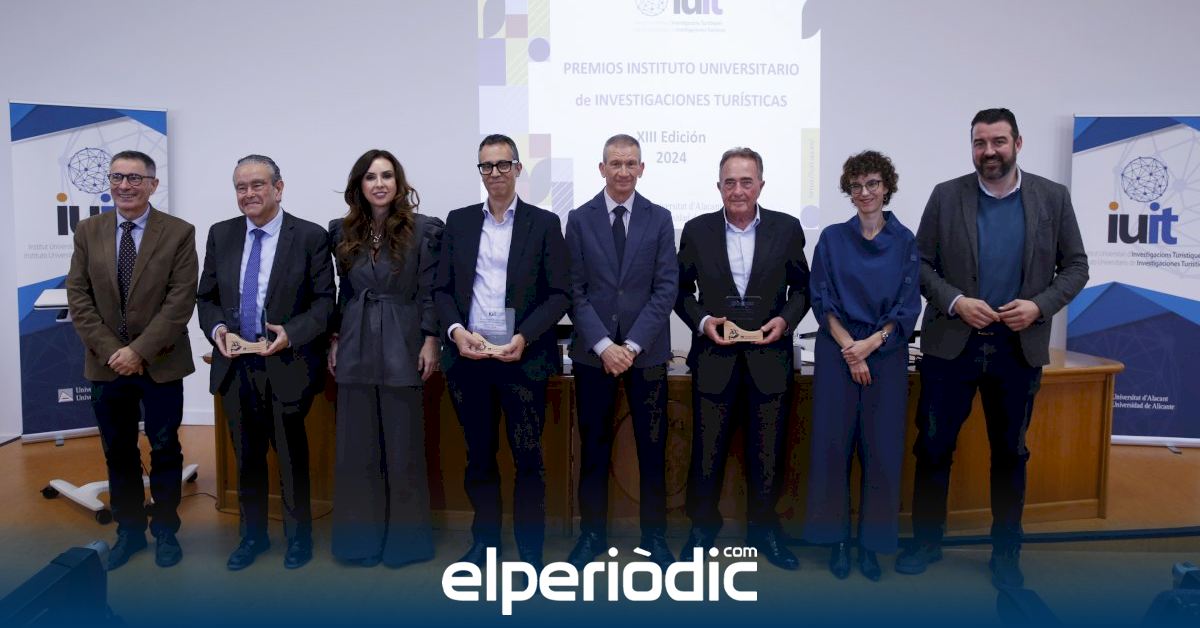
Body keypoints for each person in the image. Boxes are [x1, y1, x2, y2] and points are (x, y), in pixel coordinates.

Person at [896, 108, 1089, 588]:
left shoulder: (1052, 197)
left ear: (1017, 144)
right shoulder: (946, 195)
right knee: (933, 447)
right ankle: (926, 542)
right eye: (980, 143)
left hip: (1016, 349)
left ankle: (1006, 552)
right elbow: (919, 264)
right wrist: (956, 301)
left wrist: (1039, 306)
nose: (989, 151)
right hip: (952, 347)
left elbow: (1076, 267)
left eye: (998, 141)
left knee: (1010, 453)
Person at [433, 134, 570, 571]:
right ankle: (485, 543)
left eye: (503, 164)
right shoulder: (459, 222)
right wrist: (456, 332)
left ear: (517, 169)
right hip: (470, 360)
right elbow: (441, 290)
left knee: (528, 458)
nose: (495, 173)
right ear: (480, 171)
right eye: (486, 166)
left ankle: (530, 548)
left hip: (521, 360)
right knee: (479, 457)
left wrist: (524, 337)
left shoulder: (544, 223)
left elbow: (559, 294)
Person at [197, 154, 335, 570]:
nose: (249, 194)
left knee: (290, 458)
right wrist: (218, 330)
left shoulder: (309, 236)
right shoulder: (221, 234)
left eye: (257, 184)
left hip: (286, 364)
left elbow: (324, 303)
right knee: (247, 459)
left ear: (279, 188)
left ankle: (298, 538)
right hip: (236, 366)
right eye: (241, 187)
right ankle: (251, 537)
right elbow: (206, 298)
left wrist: (290, 332)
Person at [674, 147, 810, 570]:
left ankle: (764, 529)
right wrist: (702, 322)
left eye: (746, 181)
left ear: (761, 186)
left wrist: (785, 322)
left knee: (768, 452)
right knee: (707, 451)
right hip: (714, 359)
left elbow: (803, 289)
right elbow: (679, 291)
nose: (737, 190)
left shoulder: (787, 229)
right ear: (718, 187)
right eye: (729, 182)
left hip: (769, 360)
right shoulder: (696, 231)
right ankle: (702, 528)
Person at [66, 150, 197, 570]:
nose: (124, 185)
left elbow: (180, 301)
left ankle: (166, 531)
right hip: (106, 365)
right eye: (117, 177)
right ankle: (130, 531)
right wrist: (113, 352)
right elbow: (78, 296)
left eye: (135, 178)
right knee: (118, 451)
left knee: (165, 448)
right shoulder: (88, 230)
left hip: (161, 363)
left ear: (153, 184)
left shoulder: (178, 232)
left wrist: (139, 351)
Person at [802, 150, 920, 581]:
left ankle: (872, 545)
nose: (865, 192)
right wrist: (850, 348)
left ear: (886, 187)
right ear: (848, 192)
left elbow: (908, 304)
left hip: (885, 353)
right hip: (838, 352)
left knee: (881, 452)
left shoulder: (905, 241)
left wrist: (870, 345)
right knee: (832, 448)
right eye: (856, 186)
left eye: (872, 184)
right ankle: (836, 541)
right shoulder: (832, 239)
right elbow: (821, 298)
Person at [564, 134, 678, 570]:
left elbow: (665, 289)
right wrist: (604, 345)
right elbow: (574, 290)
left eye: (631, 163)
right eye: (616, 163)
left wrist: (629, 346)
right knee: (593, 449)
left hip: (645, 355)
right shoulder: (579, 219)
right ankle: (591, 536)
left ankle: (654, 538)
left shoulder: (660, 218)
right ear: (602, 168)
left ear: (642, 169)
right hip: (593, 356)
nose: (623, 171)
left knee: (653, 449)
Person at [327, 149, 443, 567]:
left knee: (402, 447)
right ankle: (359, 544)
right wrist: (336, 338)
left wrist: (431, 339)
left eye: (387, 176)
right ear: (359, 185)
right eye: (371, 177)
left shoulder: (424, 229)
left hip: (403, 339)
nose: (379, 184)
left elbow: (430, 290)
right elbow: (343, 292)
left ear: (399, 182)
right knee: (357, 450)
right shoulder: (342, 231)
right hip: (355, 339)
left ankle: (406, 546)